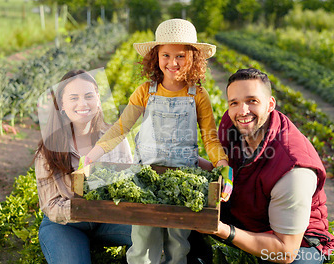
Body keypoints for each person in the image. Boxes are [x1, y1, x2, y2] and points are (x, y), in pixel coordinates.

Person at [85, 19, 229, 264]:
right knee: (143, 242)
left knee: (179, 244)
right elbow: (120, 128)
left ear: (194, 58)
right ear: (156, 56)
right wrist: (91, 157)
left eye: (181, 56)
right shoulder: (145, 91)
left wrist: (222, 163)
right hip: (146, 178)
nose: (173, 63)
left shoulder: (198, 94)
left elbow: (210, 137)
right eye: (166, 55)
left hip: (184, 180)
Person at [202, 68, 334, 263]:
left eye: (252, 101)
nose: (242, 111)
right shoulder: (231, 125)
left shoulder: (293, 168)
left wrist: (223, 230)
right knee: (189, 208)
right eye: (234, 103)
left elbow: (286, 251)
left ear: (270, 104)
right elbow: (224, 173)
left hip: (295, 242)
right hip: (249, 215)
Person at [34, 69, 133, 264]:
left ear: (98, 99)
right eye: (73, 98)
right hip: (65, 225)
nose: (82, 104)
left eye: (89, 96)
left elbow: (129, 184)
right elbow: (50, 205)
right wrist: (86, 210)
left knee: (154, 234)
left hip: (109, 220)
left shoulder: (116, 139)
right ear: (62, 105)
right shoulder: (49, 149)